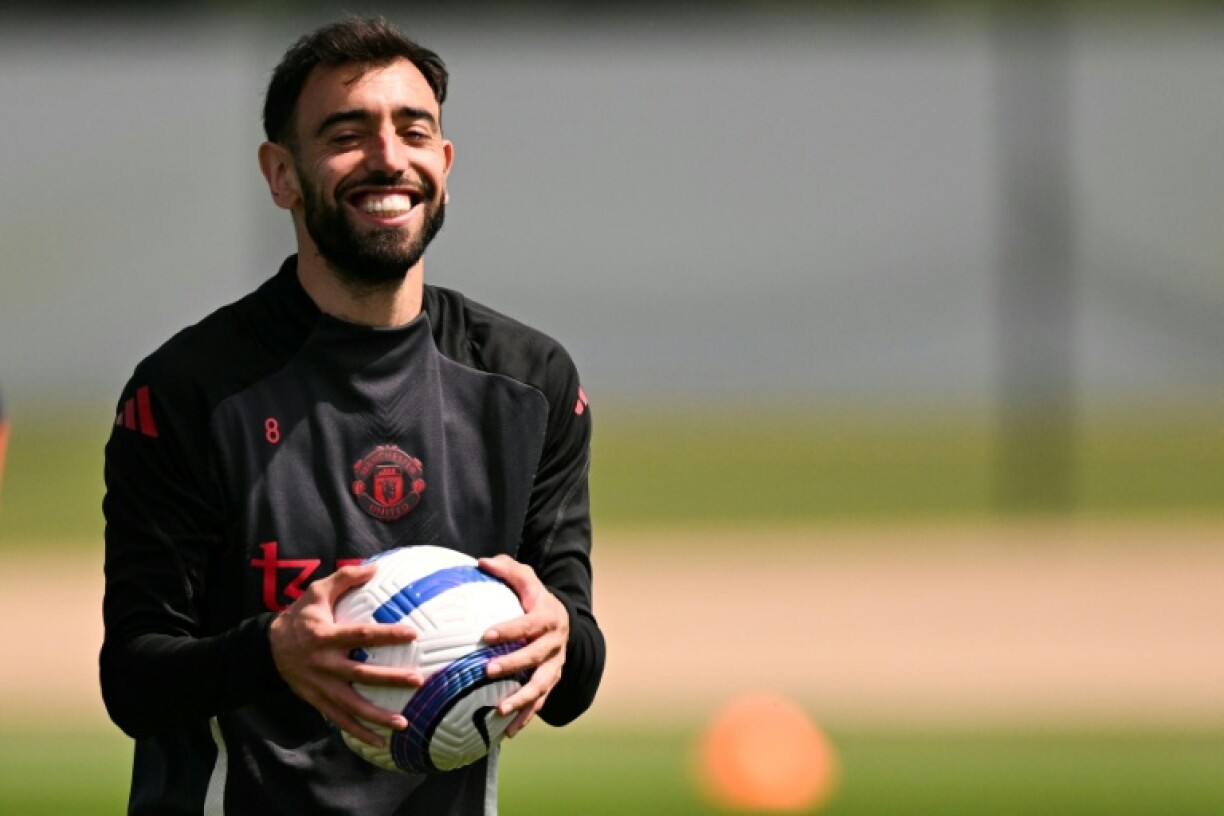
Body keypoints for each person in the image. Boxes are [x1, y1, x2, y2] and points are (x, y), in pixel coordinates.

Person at [100, 17, 605, 815]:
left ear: (444, 165)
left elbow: (575, 675)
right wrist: (274, 651)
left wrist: (559, 639)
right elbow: (133, 680)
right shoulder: (190, 390)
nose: (388, 157)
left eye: (414, 131)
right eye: (347, 134)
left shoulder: (529, 383)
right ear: (282, 175)